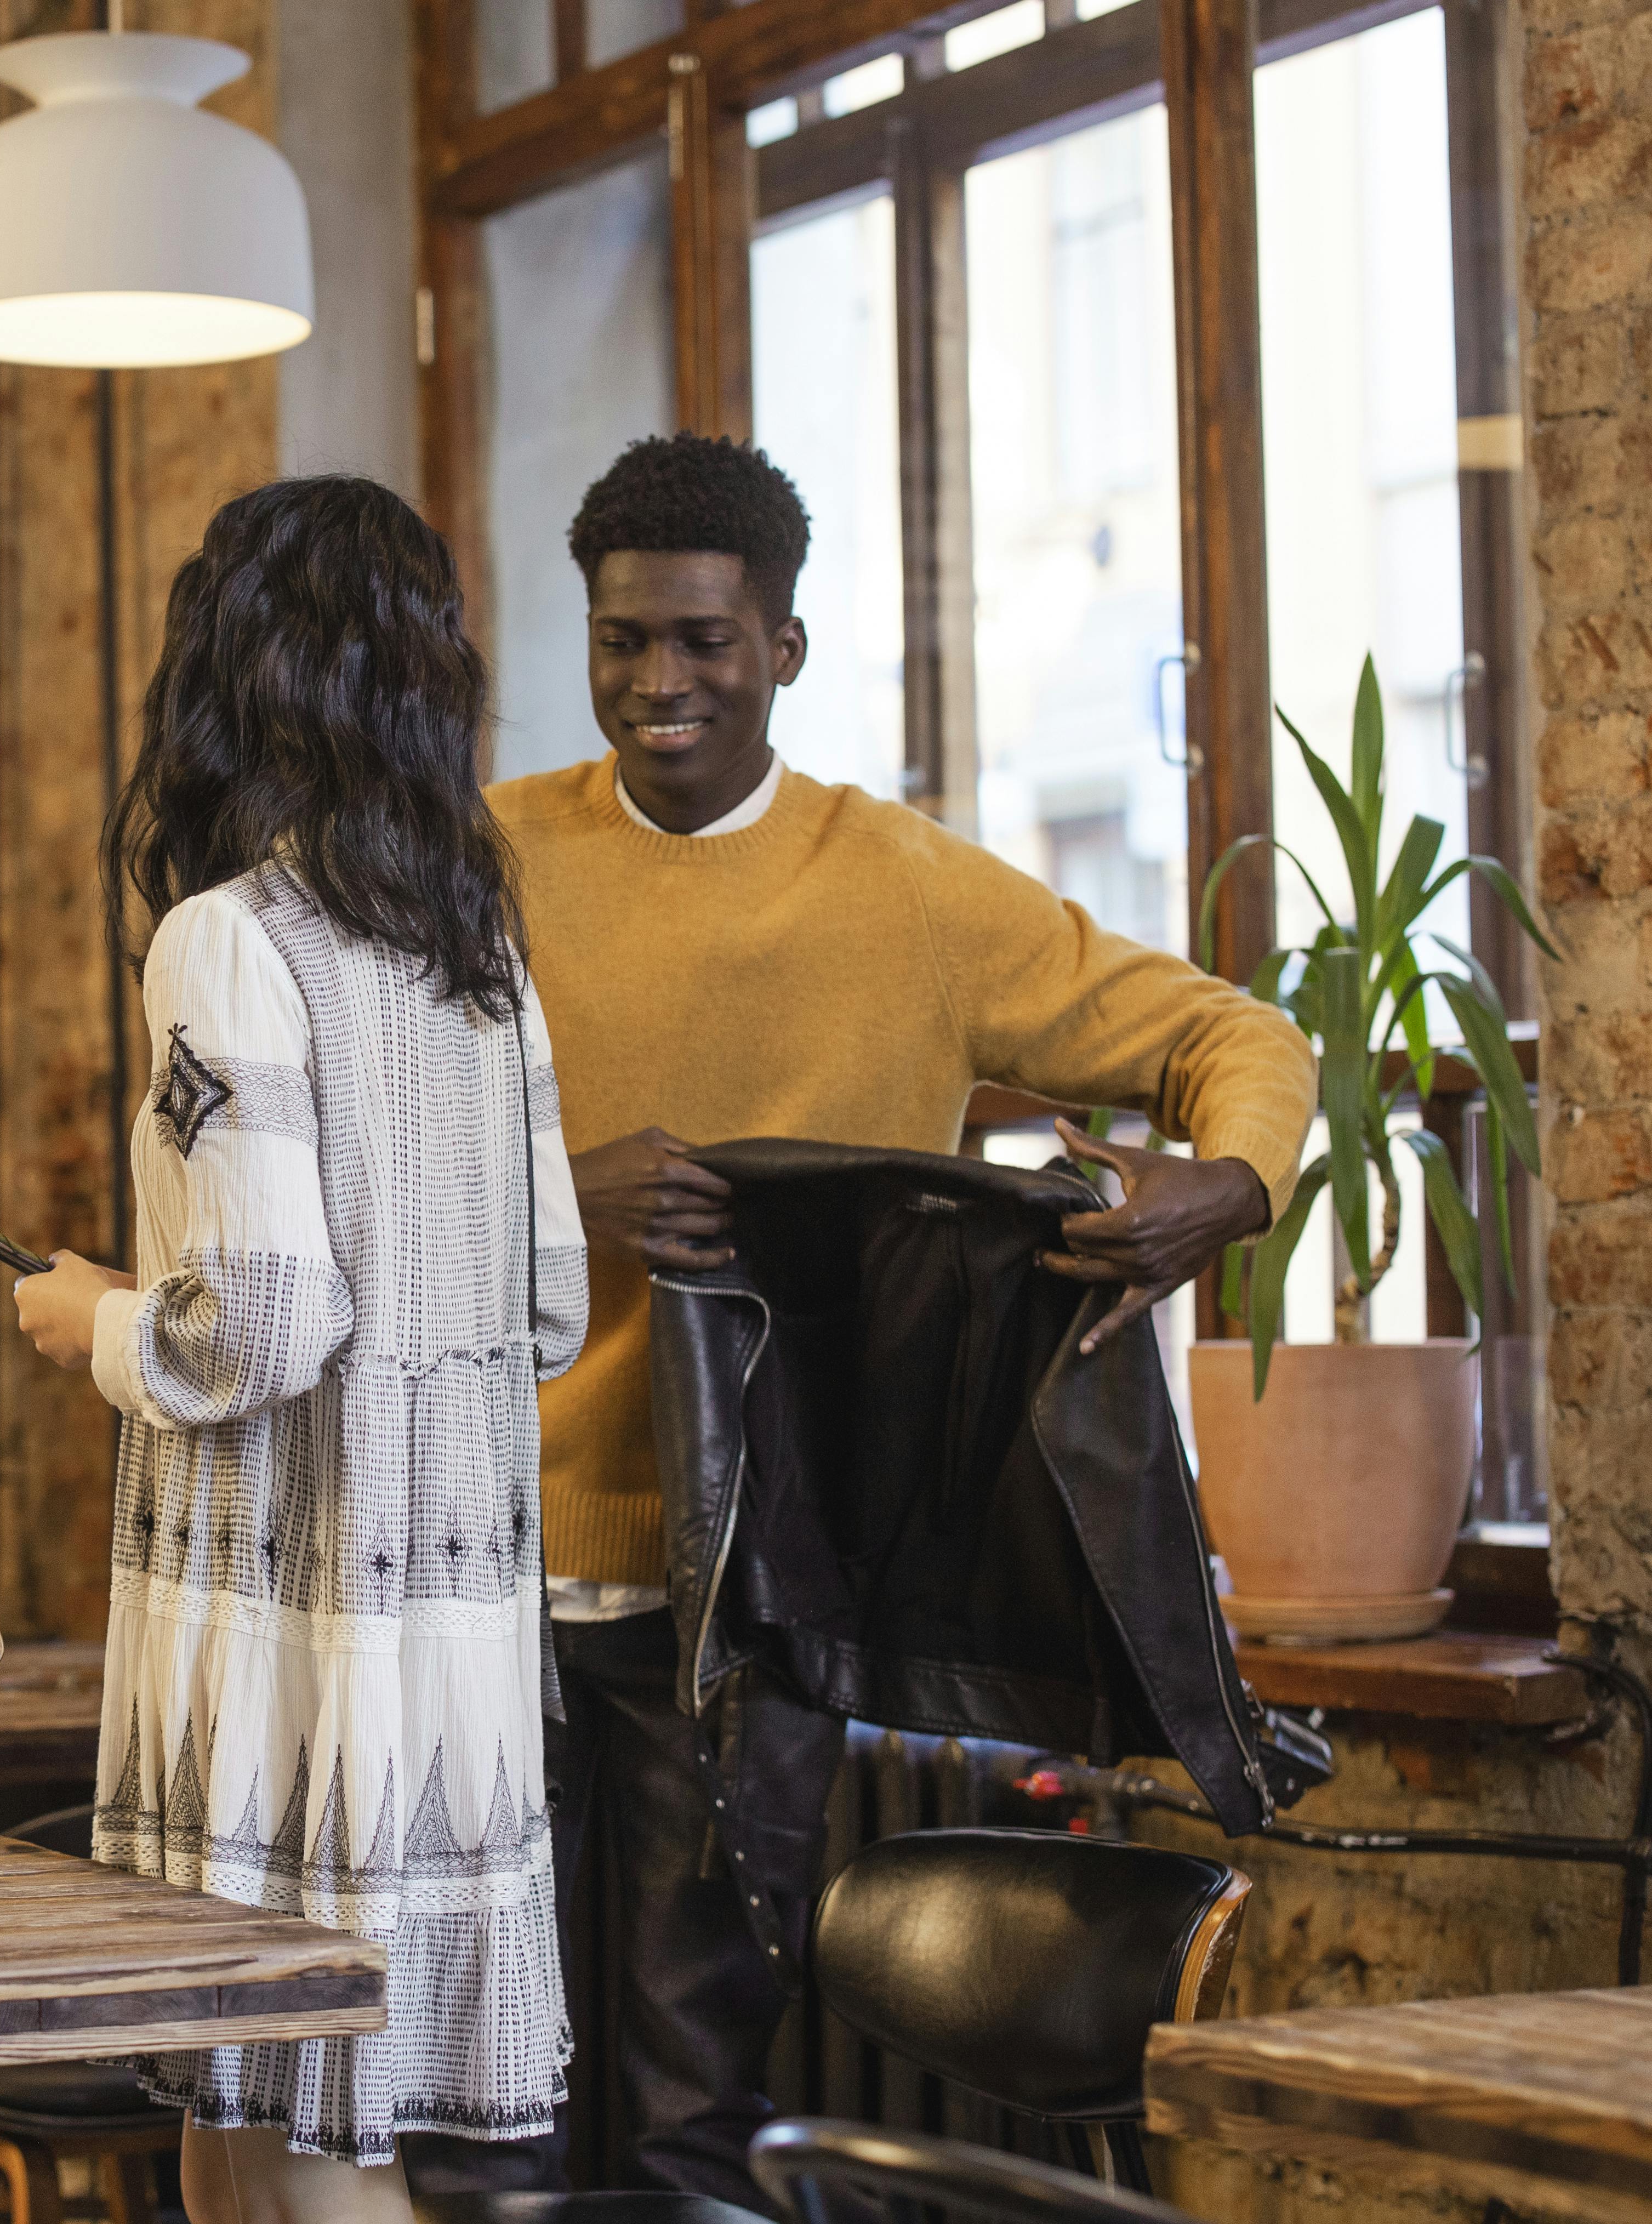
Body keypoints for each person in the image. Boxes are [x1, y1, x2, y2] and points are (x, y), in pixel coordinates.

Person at [453, 433, 1319, 2204]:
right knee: (482, 2101)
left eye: (703, 640)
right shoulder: (483, 860)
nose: (658, 682)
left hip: (762, 1579)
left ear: (784, 643)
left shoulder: (909, 891)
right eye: (623, 641)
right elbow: (352, 1164)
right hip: (483, 1558)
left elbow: (1235, 1036)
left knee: (696, 2094)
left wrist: (1224, 1184)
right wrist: (551, 1195)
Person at [10, 475, 590, 2224]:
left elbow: (255, 1326)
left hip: (288, 1638)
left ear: (229, 672)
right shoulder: (479, 959)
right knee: (251, 2133)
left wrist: (89, 1318)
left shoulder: (224, 941)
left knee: (306, 2153)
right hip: (451, 1635)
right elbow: (549, 1301)